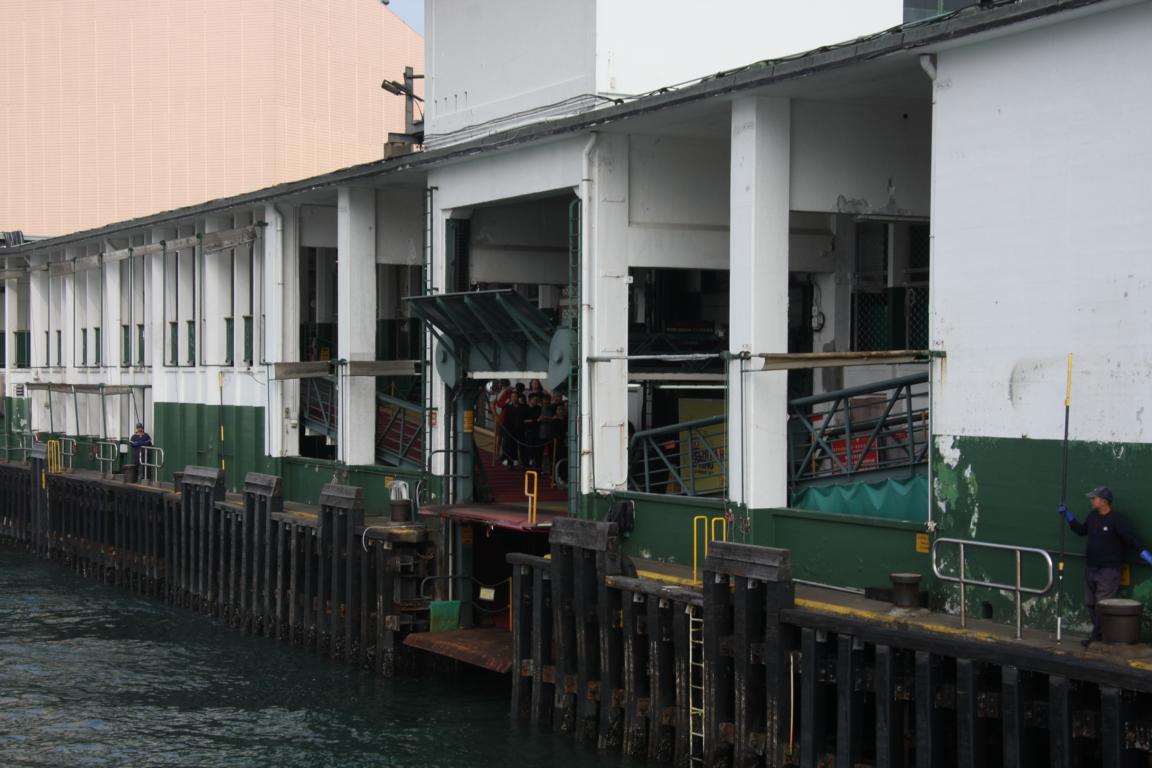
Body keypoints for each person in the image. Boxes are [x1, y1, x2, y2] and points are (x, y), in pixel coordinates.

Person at [1059, 485, 1152, 646]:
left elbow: (1131, 539)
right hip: (1091, 568)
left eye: (1094, 498)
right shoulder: (1092, 517)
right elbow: (1082, 531)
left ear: (1104, 501)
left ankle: (1096, 639)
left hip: (1109, 570)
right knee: (1090, 603)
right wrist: (1069, 517)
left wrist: (1145, 554)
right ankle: (1101, 635)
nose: (1091, 500)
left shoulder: (1117, 519)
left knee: (1103, 605)